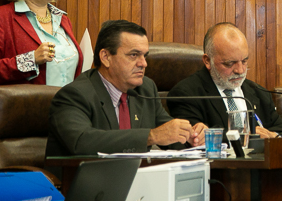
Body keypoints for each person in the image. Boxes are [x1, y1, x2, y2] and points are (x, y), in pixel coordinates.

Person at [46, 20, 202, 156]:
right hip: (82, 179)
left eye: (145, 56)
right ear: (105, 57)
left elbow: (168, 134)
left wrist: (192, 137)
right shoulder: (74, 95)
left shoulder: (145, 89)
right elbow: (81, 142)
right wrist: (151, 136)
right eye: (134, 55)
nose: (143, 63)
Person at [167, 23, 282, 139]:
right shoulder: (186, 94)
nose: (240, 70)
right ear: (207, 61)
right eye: (230, 63)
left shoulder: (258, 92)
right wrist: (243, 136)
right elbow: (193, 139)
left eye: (244, 61)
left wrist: (273, 137)